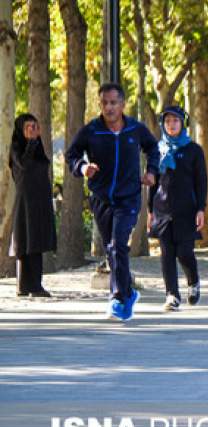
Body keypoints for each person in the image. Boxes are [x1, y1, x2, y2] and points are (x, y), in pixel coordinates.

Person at [65, 83, 159, 321]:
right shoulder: (92, 130)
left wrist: (151, 171)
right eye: (104, 103)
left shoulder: (135, 129)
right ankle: (128, 293)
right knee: (112, 250)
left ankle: (117, 298)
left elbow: (153, 148)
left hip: (129, 197)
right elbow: (72, 155)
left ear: (122, 104)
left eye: (113, 102)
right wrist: (83, 167)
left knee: (118, 245)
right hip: (101, 198)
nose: (108, 107)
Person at [147, 106, 207, 312]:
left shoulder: (194, 151)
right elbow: (153, 183)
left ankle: (193, 282)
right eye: (167, 121)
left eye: (175, 121)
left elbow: (201, 182)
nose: (171, 125)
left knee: (184, 252)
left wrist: (201, 209)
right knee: (166, 253)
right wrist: (149, 211)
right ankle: (171, 294)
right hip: (162, 210)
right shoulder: (157, 150)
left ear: (183, 124)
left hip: (187, 211)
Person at [9, 114, 56, 298]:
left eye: (34, 126)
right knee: (24, 242)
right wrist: (30, 143)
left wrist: (35, 143)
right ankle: (24, 286)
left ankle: (35, 284)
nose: (32, 130)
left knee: (36, 242)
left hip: (40, 200)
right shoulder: (16, 147)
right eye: (28, 126)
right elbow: (23, 164)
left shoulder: (38, 147)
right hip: (25, 201)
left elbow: (42, 166)